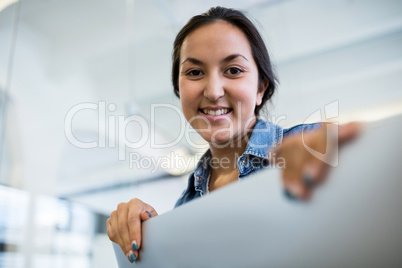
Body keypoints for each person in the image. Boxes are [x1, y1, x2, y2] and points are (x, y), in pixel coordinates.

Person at [106, 6, 361, 263]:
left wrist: (351, 158)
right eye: (195, 72)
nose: (214, 91)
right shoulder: (186, 204)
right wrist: (149, 237)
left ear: (261, 87)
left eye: (233, 70)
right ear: (179, 89)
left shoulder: (305, 147)